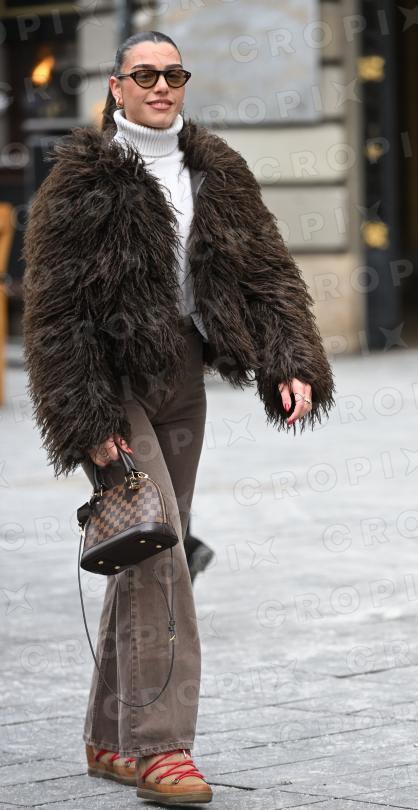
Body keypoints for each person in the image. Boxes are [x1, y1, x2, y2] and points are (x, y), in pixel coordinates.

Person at [22, 30, 336, 806]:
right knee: (163, 557)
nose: (161, 86)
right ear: (116, 86)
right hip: (111, 385)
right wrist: (85, 415)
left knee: (146, 548)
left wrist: (291, 360)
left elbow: (265, 272)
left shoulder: (216, 168)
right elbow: (55, 312)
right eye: (145, 75)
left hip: (181, 381)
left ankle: (108, 737)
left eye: (174, 74)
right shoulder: (80, 180)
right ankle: (162, 748)